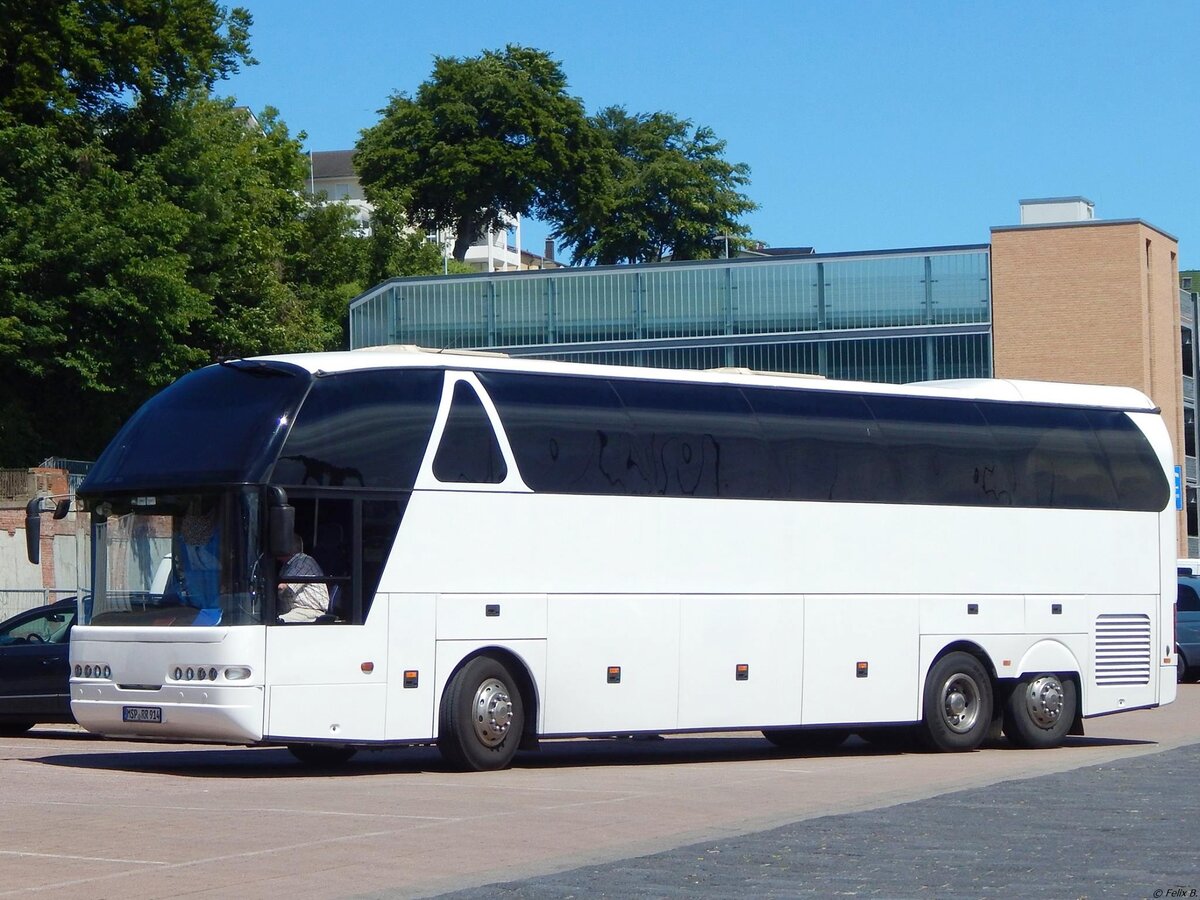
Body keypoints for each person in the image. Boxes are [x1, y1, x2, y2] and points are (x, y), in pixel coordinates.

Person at [277, 534, 330, 623]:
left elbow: (283, 587)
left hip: (309, 611)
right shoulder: (287, 565)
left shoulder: (302, 561)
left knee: (278, 621)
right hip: (296, 611)